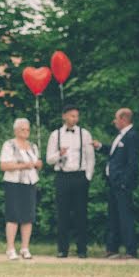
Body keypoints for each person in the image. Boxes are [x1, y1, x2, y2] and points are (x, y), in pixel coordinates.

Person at [45, 104, 96, 258]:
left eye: (76, 116)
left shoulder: (84, 134)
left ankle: (82, 250)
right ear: (64, 116)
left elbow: (90, 157)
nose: (75, 119)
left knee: (81, 214)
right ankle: (62, 250)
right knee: (63, 215)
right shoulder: (55, 135)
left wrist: (88, 177)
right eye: (72, 115)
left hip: (80, 177)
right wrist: (59, 154)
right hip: (63, 177)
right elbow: (49, 159)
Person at [94, 108, 139, 259]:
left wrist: (124, 182)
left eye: (116, 118)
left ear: (124, 119)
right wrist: (100, 146)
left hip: (122, 184)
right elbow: (114, 152)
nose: (114, 121)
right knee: (113, 216)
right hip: (113, 182)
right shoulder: (121, 136)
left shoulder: (132, 136)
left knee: (125, 217)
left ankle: (130, 250)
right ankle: (112, 249)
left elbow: (133, 163)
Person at [0, 118, 42, 260]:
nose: (25, 132)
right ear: (16, 130)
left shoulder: (33, 146)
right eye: (22, 129)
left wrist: (37, 164)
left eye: (27, 129)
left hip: (30, 183)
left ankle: (25, 248)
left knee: (28, 216)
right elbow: (4, 166)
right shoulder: (9, 145)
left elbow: (36, 163)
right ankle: (10, 248)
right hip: (14, 183)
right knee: (13, 215)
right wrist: (24, 165)